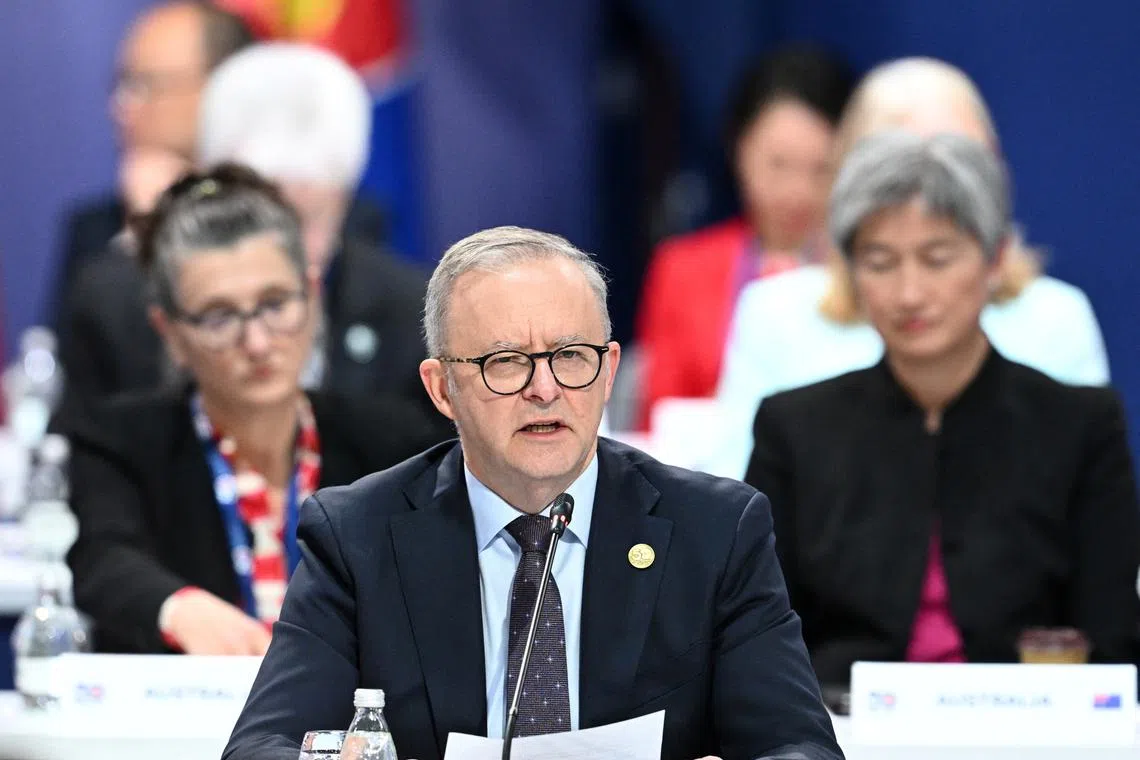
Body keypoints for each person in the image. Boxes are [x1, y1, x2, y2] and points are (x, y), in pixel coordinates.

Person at [223, 226, 841, 760]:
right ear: (442, 390)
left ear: (609, 371)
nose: (545, 389)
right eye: (506, 361)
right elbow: (262, 746)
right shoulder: (357, 536)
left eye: (573, 356)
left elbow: (799, 744)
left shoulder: (716, 531)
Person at [744, 132, 1140, 689]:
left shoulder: (1081, 425)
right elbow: (758, 640)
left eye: (937, 258)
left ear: (996, 259)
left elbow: (1112, 639)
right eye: (880, 262)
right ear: (851, 273)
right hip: (842, 732)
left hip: (1031, 729)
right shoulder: (793, 428)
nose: (909, 293)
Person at [59, 165, 447, 656]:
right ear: (170, 331)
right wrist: (176, 608)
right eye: (220, 317)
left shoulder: (395, 444)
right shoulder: (120, 441)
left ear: (313, 294)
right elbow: (102, 560)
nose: (258, 342)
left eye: (275, 303)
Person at [714, 57, 1109, 477]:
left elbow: (1086, 502)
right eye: (900, 172)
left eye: (961, 164)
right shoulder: (775, 316)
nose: (930, 194)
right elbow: (736, 500)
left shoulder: (1058, 319)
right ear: (848, 183)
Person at [58, 42, 426, 413]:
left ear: (344, 200)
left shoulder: (408, 311)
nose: (287, 251)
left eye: (304, 221)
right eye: (263, 222)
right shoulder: (116, 306)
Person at [633, 45, 854, 430]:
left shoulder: (867, 271)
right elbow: (661, 418)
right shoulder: (682, 269)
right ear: (738, 149)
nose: (797, 192)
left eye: (822, 169)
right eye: (778, 164)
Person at [52, 1, 254, 313]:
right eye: (121, 85)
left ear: (223, 87)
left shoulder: (293, 212)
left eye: (144, 84)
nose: (120, 107)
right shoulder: (98, 232)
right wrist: (138, 242)